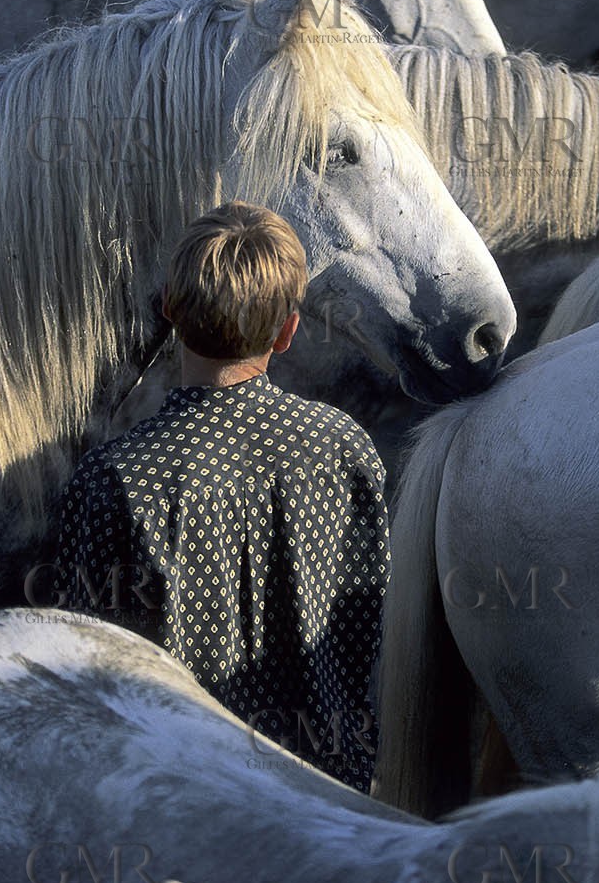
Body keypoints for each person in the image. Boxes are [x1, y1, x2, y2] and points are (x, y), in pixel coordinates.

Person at [53, 202, 389, 791]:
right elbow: (367, 630)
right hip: (331, 798)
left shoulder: (115, 479)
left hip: (185, 802)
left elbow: (86, 677)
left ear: (169, 312)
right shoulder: (345, 449)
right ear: (288, 330)